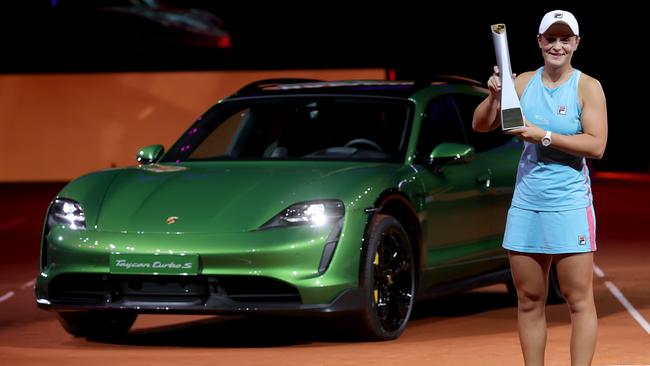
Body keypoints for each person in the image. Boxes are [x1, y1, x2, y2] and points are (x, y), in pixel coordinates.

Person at [472, 9, 608, 366]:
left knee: (578, 301)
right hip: (527, 204)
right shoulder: (522, 83)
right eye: (551, 38)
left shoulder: (588, 87)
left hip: (569, 205)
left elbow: (597, 146)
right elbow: (482, 124)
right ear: (539, 41)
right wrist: (493, 95)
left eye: (565, 39)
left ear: (576, 43)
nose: (557, 46)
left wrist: (543, 136)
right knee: (529, 299)